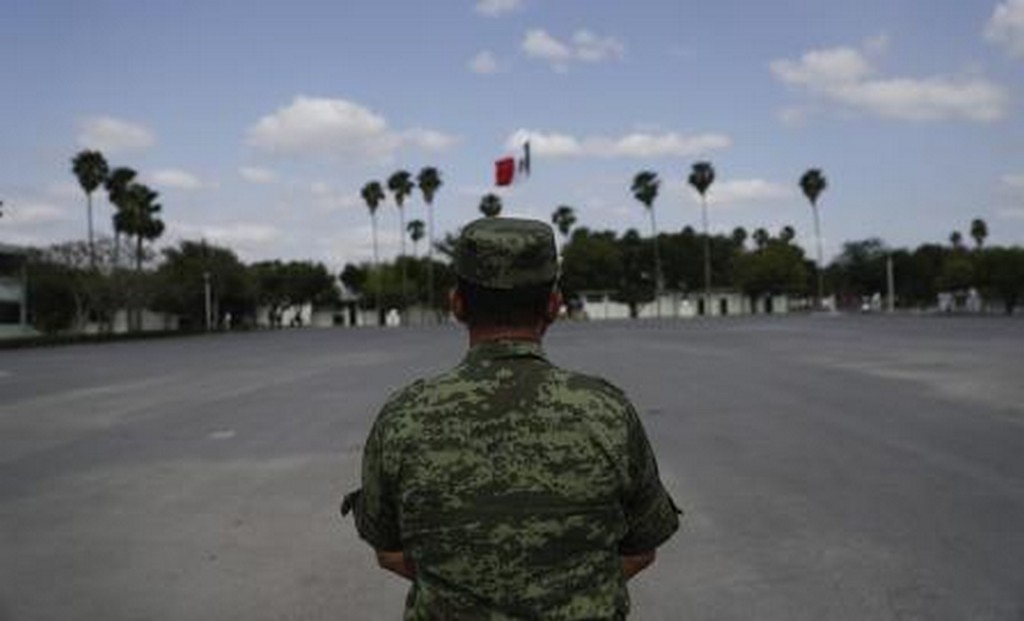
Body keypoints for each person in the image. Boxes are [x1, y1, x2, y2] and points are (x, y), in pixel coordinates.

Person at [342, 217, 680, 619]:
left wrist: (466, 589)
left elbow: (389, 550)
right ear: (554, 305)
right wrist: (570, 591)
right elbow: (642, 548)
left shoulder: (404, 416)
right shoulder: (606, 413)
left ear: (457, 304)